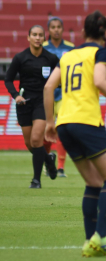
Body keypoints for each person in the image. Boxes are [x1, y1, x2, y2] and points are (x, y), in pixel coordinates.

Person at [44, 10, 106, 257]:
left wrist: (48, 122)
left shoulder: (68, 54)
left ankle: (90, 241)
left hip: (64, 122)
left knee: (93, 182)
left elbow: (48, 86)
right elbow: (99, 80)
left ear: (82, 32)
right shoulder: (100, 52)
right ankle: (101, 236)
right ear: (104, 32)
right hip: (86, 121)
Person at [4, 25, 59, 188]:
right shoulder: (20, 58)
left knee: (36, 139)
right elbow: (8, 80)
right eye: (34, 35)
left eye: (40, 35)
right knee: (31, 144)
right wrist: (16, 95)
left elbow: (61, 78)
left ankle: (36, 180)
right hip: (24, 103)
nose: (37, 38)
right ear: (28, 38)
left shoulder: (51, 58)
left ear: (44, 38)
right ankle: (49, 159)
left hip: (43, 102)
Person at [43, 16, 75, 177]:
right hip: (46, 94)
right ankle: (48, 163)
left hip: (64, 95)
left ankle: (61, 167)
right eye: (53, 27)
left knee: (62, 130)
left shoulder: (71, 48)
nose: (56, 29)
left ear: (63, 29)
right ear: (48, 30)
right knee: (46, 130)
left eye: (59, 27)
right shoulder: (41, 47)